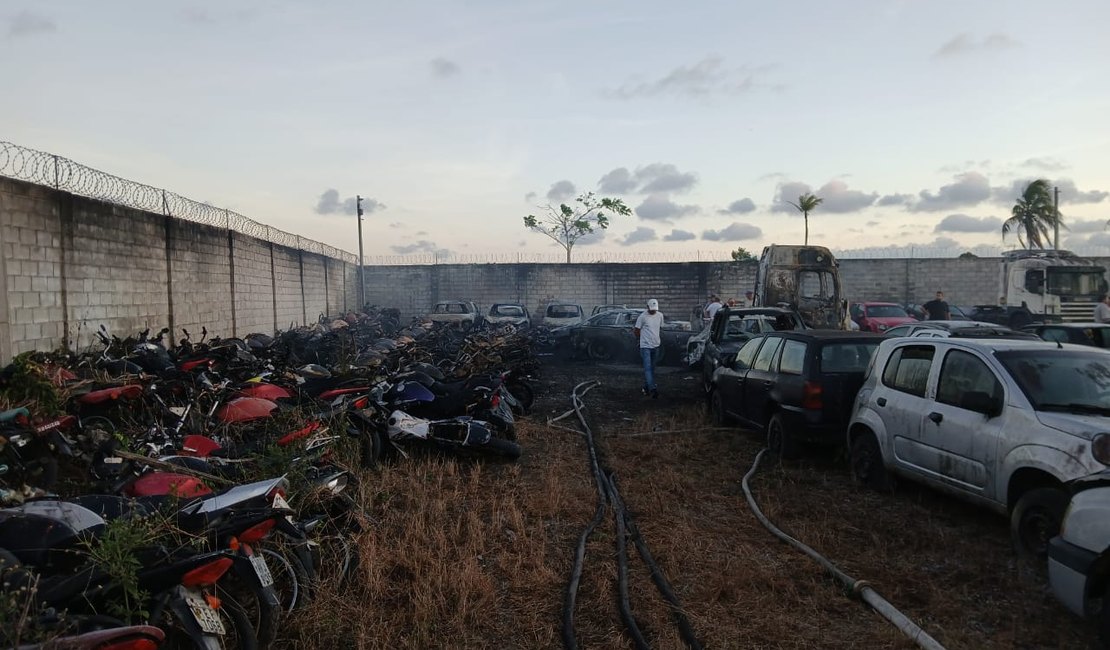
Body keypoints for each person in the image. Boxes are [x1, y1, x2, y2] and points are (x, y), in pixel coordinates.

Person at [634, 299, 664, 399]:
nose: (653, 311)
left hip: (656, 345)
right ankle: (653, 389)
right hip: (645, 346)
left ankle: (646, 388)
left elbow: (660, 328)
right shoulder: (642, 317)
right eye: (651, 309)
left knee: (652, 368)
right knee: (647, 368)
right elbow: (636, 330)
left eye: (655, 309)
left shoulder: (660, 315)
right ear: (647, 307)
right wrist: (640, 340)